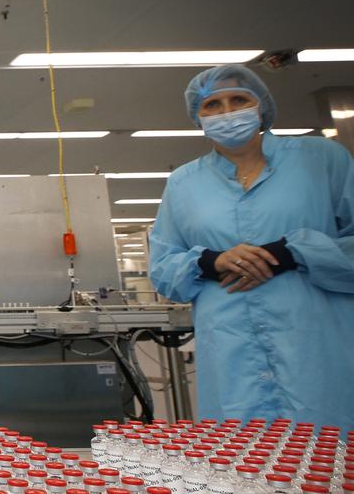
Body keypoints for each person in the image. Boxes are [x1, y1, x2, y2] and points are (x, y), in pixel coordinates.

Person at [149, 64, 354, 428]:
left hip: (315, 343)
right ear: (198, 116)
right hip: (231, 349)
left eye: (239, 99)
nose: (227, 112)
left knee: (330, 459)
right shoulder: (183, 183)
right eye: (212, 105)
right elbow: (163, 268)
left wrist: (292, 252)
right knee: (244, 460)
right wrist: (211, 261)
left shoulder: (321, 159)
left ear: (261, 106)